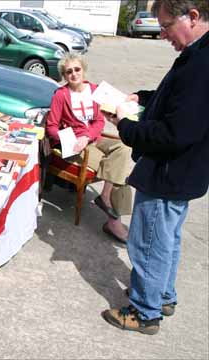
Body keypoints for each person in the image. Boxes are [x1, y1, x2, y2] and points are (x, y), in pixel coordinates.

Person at [102, 0, 209, 335]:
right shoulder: (197, 55)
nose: (162, 35)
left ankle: (145, 312)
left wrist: (126, 127)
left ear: (192, 16)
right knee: (166, 240)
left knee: (148, 242)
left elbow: (176, 132)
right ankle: (162, 295)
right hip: (182, 173)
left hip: (168, 172)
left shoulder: (202, 63)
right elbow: (176, 103)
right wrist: (143, 98)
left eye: (165, 26)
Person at [45, 52, 133, 242]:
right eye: (69, 72)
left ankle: (106, 196)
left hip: (93, 138)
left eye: (77, 69)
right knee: (119, 170)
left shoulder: (94, 90)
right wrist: (67, 140)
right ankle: (114, 222)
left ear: (83, 70)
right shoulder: (61, 95)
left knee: (124, 148)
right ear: (64, 75)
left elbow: (99, 121)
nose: (74, 74)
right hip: (78, 145)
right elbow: (51, 126)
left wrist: (88, 136)